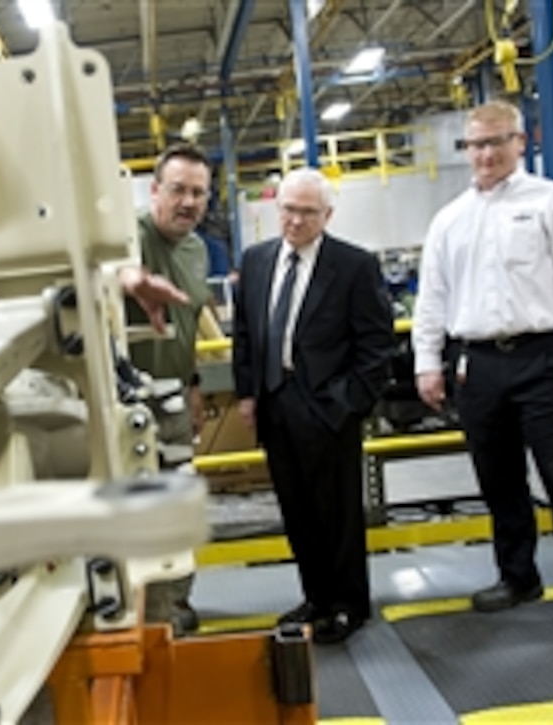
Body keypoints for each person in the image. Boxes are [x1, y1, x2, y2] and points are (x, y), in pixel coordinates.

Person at [411, 100, 553, 650]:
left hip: (546, 360)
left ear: (520, 142)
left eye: (494, 142)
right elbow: (431, 298)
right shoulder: (450, 220)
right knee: (498, 481)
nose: (483, 154)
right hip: (478, 364)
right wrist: (427, 363)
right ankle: (518, 577)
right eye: (474, 145)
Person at [232, 167, 394, 644]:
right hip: (275, 404)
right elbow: (245, 333)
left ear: (327, 215)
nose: (295, 221)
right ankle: (316, 597)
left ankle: (348, 605)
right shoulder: (257, 261)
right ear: (275, 206)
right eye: (287, 209)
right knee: (298, 511)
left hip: (329, 408)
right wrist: (248, 393)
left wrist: (348, 404)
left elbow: (377, 346)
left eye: (307, 212)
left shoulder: (353, 266)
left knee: (339, 513)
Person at [122, 142, 213, 634]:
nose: (189, 202)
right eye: (178, 189)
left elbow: (191, 320)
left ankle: (175, 602)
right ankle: (140, 612)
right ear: (155, 190)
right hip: (125, 404)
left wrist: (194, 385)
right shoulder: (127, 234)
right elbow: (113, 272)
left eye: (199, 193)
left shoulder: (198, 249)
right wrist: (132, 279)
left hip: (174, 398)